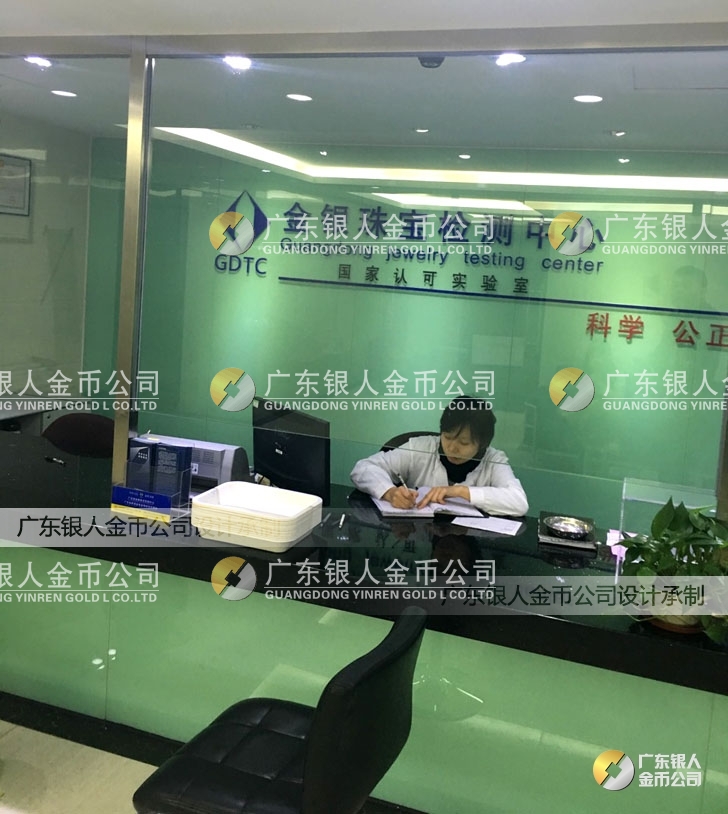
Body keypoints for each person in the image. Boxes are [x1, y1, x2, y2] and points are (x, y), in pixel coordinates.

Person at [350, 396, 528, 516]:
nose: (452, 448)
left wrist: (460, 491)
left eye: (464, 443)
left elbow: (519, 502)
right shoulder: (420, 447)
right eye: (447, 437)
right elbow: (363, 468)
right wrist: (389, 492)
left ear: (483, 443)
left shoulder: (493, 460)